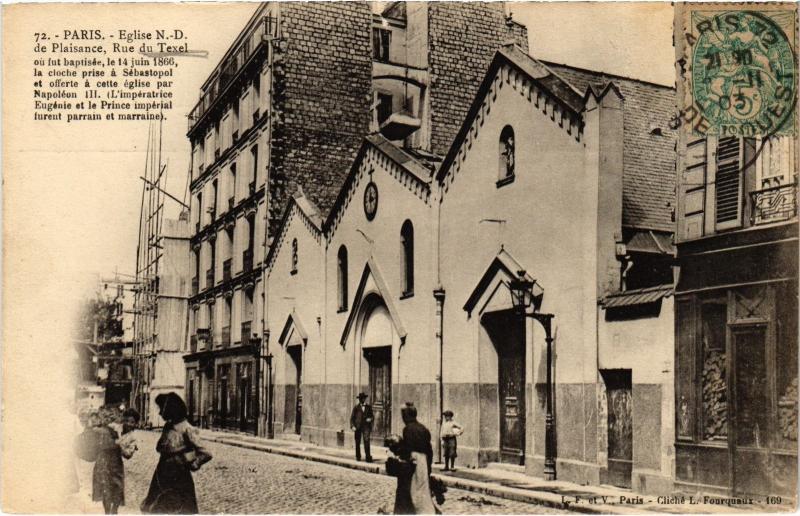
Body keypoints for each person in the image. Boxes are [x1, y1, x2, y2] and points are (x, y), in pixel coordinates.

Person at [141, 393, 212, 514]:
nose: (159, 413)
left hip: (179, 476)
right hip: (162, 473)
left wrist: (193, 463)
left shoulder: (187, 428)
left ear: (170, 409)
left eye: (161, 409)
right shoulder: (167, 427)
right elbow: (160, 447)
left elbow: (206, 453)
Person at [400, 402, 435, 514]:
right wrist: (429, 465)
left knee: (413, 490)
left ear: (407, 416)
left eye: (404, 416)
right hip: (424, 462)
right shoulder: (423, 428)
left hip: (413, 462)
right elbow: (429, 450)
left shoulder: (407, 429)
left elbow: (407, 449)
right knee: (423, 489)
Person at [92, 407, 125, 514]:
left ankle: (112, 511)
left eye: (111, 418)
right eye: (107, 418)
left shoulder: (117, 430)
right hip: (105, 461)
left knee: (114, 487)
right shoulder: (99, 431)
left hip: (112, 461)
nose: (109, 420)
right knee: (108, 487)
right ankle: (110, 511)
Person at [350, 392, 374, 462]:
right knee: (357, 442)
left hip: (366, 427)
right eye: (360, 398)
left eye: (363, 398)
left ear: (365, 399)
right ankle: (358, 456)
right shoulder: (356, 407)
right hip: (357, 427)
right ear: (359, 399)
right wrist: (352, 426)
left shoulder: (368, 407)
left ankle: (368, 457)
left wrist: (370, 419)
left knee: (366, 441)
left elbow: (372, 416)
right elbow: (352, 418)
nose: (362, 400)